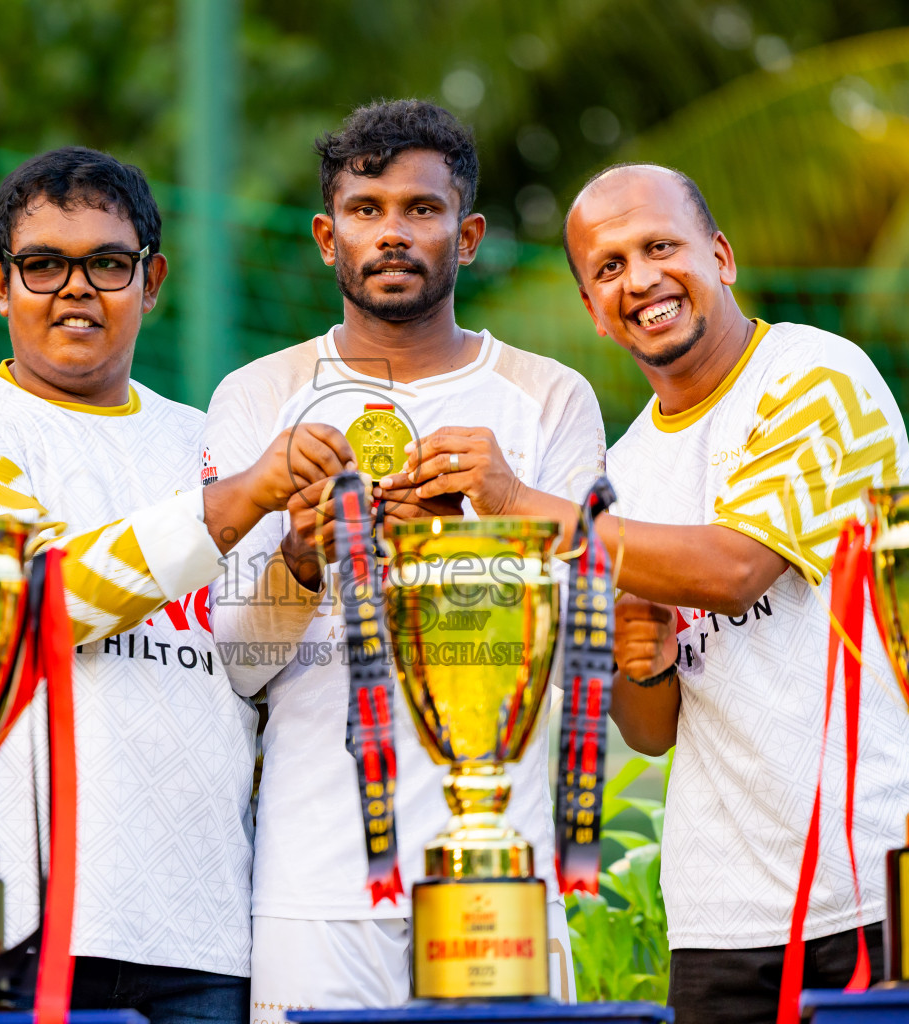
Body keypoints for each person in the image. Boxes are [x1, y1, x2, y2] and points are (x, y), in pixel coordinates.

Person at [391, 162, 909, 1024]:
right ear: (593, 310)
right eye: (608, 267)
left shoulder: (815, 374)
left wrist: (515, 501)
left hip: (872, 875)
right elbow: (650, 731)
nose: (640, 279)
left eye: (659, 247)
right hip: (717, 917)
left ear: (720, 257)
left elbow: (733, 572)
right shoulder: (625, 469)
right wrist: (641, 662)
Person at [0, 146, 353, 1024]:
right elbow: (39, 604)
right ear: (0, 284)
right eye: (43, 264)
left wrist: (299, 562)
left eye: (108, 263)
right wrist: (240, 500)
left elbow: (245, 664)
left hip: (202, 925)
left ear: (152, 283)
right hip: (15, 919)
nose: (76, 288)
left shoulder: (203, 439)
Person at [204, 100, 606, 1021]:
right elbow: (236, 664)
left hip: (507, 864)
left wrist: (477, 534)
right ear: (327, 237)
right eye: (366, 208)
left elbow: (589, 656)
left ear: (467, 236)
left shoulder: (549, 397)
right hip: (316, 879)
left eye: (422, 209)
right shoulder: (258, 396)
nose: (392, 232)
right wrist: (303, 560)